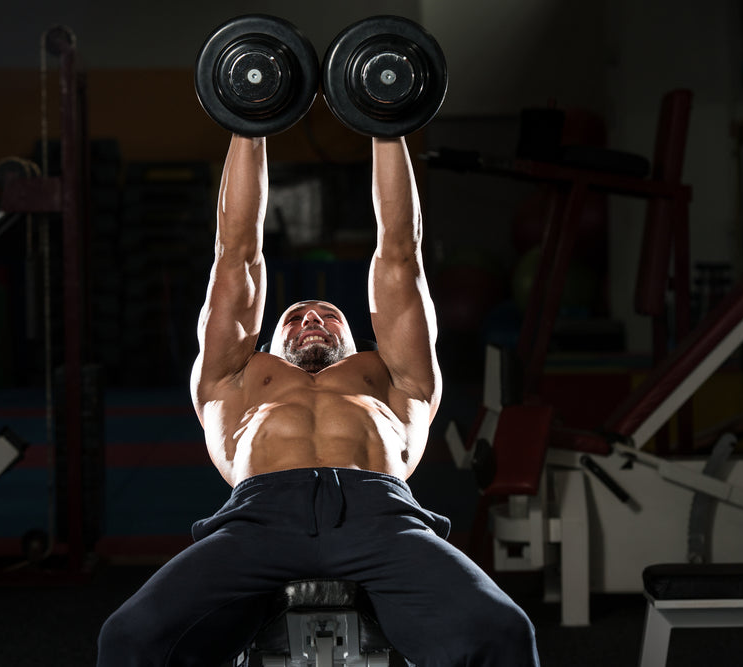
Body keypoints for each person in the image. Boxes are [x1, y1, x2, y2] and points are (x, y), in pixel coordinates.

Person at [97, 134, 540, 666]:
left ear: (356, 339)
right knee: (129, 637)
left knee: (503, 631)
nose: (312, 317)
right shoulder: (235, 378)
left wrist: (386, 126)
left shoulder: (393, 378)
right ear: (267, 343)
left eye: (330, 315)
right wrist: (248, 125)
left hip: (381, 517)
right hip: (260, 519)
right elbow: (236, 254)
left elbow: (400, 251)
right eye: (295, 317)